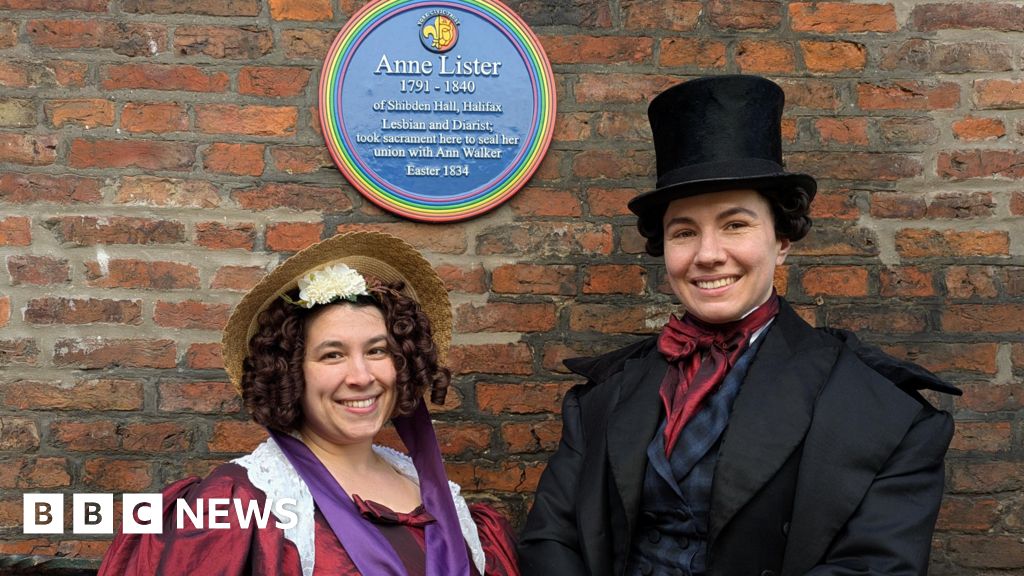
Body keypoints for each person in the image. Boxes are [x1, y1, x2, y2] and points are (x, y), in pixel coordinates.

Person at [517, 75, 959, 576]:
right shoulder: (601, 398)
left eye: (735, 224)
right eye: (684, 232)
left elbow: (874, 568)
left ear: (782, 239)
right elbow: (552, 539)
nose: (708, 255)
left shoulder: (886, 414)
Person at [99, 231, 519, 576]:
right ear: (291, 373)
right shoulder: (242, 503)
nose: (361, 376)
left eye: (377, 351)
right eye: (332, 355)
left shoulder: (444, 498)